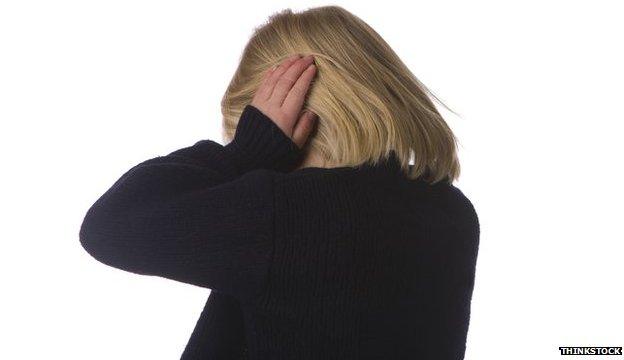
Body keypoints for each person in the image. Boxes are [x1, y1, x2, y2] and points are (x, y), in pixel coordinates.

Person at [79, 5, 480, 360]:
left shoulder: (288, 217)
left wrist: (247, 154)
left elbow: (107, 228)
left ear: (299, 123)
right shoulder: (452, 214)